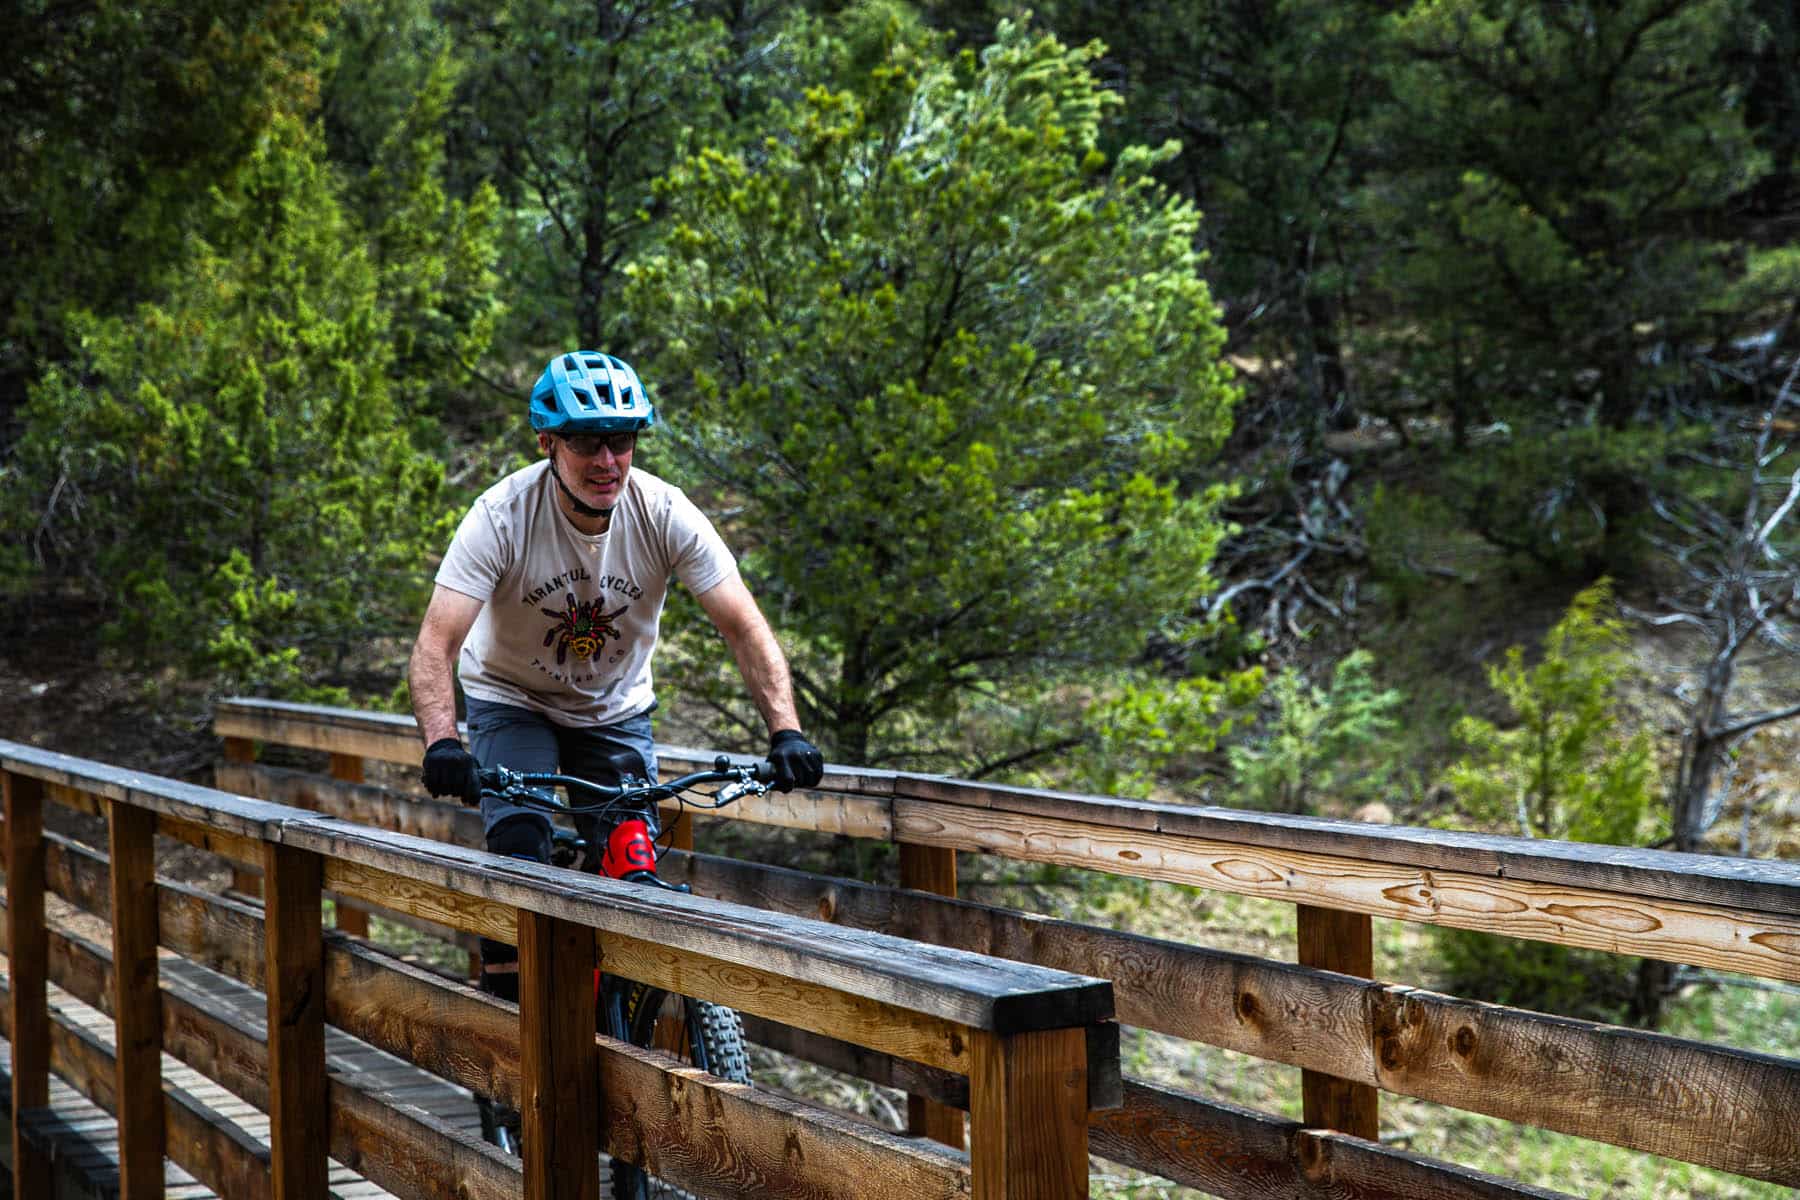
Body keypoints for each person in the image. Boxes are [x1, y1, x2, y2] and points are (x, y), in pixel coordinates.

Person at [408, 349, 824, 1007]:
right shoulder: (502, 515)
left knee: (635, 866)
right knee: (519, 854)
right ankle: (508, 1033)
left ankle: (622, 1035)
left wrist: (787, 732)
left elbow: (744, 626)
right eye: (585, 441)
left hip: (614, 709)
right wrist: (441, 740)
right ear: (548, 443)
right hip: (513, 700)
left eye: (622, 440)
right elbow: (436, 641)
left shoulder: (665, 513)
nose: (607, 460)